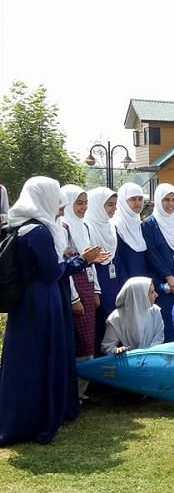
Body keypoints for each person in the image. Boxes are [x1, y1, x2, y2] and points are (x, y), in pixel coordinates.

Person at [0, 177, 103, 445]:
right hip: (43, 301)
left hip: (24, 303)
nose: (59, 206)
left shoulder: (19, 225)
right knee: (44, 356)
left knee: (24, 359)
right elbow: (52, 272)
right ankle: (41, 417)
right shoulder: (40, 232)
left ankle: (17, 418)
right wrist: (81, 260)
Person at [141, 183, 174, 343]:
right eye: (166, 200)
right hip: (163, 285)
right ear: (158, 201)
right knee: (165, 326)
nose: (171, 204)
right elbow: (152, 254)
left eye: (173, 200)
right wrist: (168, 276)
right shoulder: (150, 224)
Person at [59, 185, 101, 390]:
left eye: (85, 203)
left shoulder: (83, 226)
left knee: (88, 339)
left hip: (87, 284)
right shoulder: (63, 228)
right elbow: (64, 267)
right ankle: (73, 391)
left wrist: (95, 290)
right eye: (79, 203)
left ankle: (83, 390)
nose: (83, 207)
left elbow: (90, 259)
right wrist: (74, 298)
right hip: (73, 286)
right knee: (78, 339)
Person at [85, 187, 122, 355]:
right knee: (101, 321)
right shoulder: (88, 227)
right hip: (97, 279)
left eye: (115, 204)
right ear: (97, 206)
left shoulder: (111, 227)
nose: (113, 209)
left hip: (112, 280)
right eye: (109, 205)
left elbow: (116, 258)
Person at [100, 277, 164, 355]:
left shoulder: (155, 311)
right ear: (139, 295)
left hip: (152, 358)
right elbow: (107, 347)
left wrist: (147, 354)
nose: (156, 295)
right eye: (152, 292)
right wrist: (117, 350)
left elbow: (158, 339)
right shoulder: (116, 317)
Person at [112, 182, 148, 282]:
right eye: (132, 199)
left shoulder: (141, 225)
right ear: (123, 201)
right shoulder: (116, 226)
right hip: (124, 282)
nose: (137, 203)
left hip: (144, 281)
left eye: (140, 199)